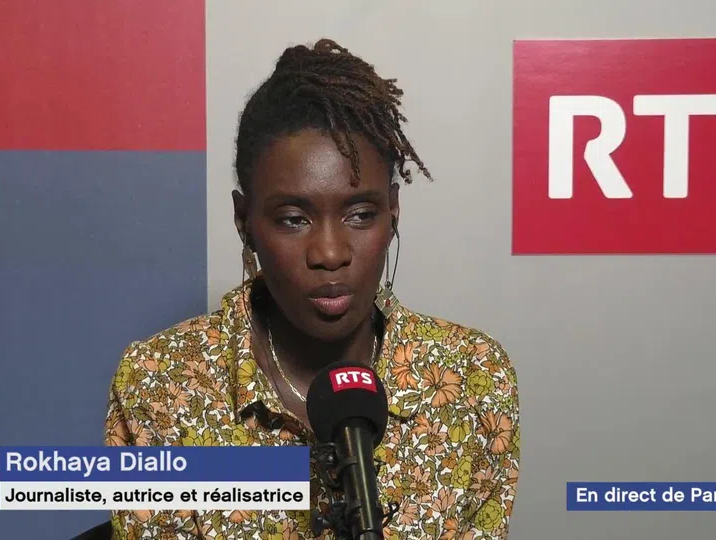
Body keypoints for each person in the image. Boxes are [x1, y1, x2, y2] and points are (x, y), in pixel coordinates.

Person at [104, 38, 520, 539]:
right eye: (293, 219)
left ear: (393, 213)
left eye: (360, 214)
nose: (329, 252)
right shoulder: (159, 384)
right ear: (244, 221)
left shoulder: (471, 379)